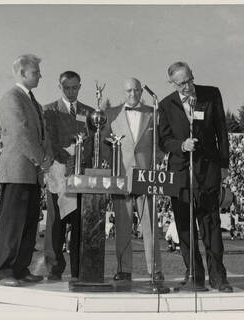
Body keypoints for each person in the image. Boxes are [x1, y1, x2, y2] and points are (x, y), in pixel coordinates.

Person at [158, 61, 232, 292]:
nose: (188, 86)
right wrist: (181, 144)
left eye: (190, 80)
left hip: (209, 171)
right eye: (182, 83)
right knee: (185, 228)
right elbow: (163, 140)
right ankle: (194, 276)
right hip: (180, 173)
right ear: (172, 83)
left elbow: (222, 131)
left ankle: (219, 277)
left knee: (211, 225)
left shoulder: (211, 94)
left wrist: (224, 165)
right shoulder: (165, 105)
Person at [0, 54, 52, 287]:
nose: (40, 75)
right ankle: (4, 271)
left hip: (32, 173)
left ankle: (20, 268)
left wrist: (46, 158)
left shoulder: (33, 101)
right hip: (18, 171)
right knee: (13, 223)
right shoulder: (11, 98)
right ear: (22, 73)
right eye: (36, 72)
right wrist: (41, 159)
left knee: (28, 223)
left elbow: (41, 134)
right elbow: (20, 134)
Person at [100, 77, 164, 281]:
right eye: (129, 91)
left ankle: (155, 270)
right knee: (122, 225)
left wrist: (153, 164)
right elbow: (103, 145)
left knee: (150, 226)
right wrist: (113, 168)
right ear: (124, 92)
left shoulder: (153, 113)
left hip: (147, 176)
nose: (133, 94)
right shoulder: (111, 114)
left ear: (141, 91)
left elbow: (160, 144)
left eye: (136, 90)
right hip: (121, 176)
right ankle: (124, 269)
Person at [43, 71, 94, 281]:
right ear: (60, 87)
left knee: (80, 225)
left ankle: (78, 268)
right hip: (58, 174)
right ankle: (54, 269)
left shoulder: (89, 112)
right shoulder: (49, 110)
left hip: (81, 175)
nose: (71, 92)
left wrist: (82, 158)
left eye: (75, 87)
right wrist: (65, 154)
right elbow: (48, 140)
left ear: (80, 86)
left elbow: (93, 143)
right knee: (56, 224)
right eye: (67, 88)